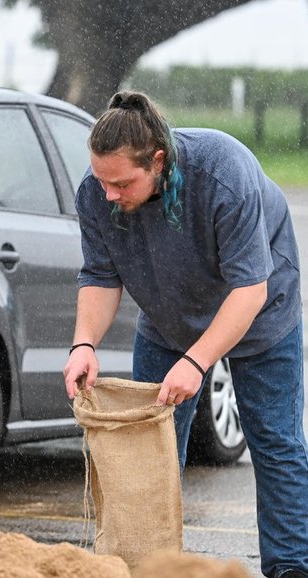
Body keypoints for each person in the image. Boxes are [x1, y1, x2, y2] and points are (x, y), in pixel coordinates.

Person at [63, 90, 308, 578]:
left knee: (275, 442)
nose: (109, 193)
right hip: (167, 317)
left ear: (157, 160)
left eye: (122, 183)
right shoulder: (98, 191)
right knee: (149, 447)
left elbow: (250, 289)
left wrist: (197, 363)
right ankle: (150, 565)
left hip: (260, 312)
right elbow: (100, 275)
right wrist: (84, 343)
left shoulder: (223, 173)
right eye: (101, 180)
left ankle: (290, 567)